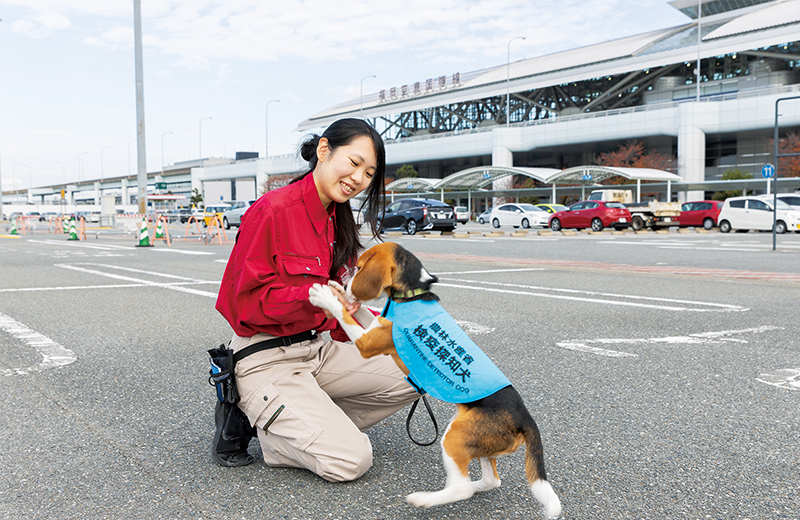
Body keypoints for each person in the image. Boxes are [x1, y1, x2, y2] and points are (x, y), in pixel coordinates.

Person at [215, 118, 420, 482]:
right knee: (350, 461)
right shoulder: (273, 210)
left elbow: (340, 307)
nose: (359, 178)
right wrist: (316, 298)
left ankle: (309, 420)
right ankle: (271, 432)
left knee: (419, 368)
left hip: (316, 350)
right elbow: (244, 305)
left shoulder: (336, 219)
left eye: (369, 173)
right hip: (266, 357)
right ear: (324, 151)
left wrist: (357, 315)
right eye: (354, 163)